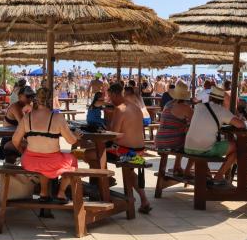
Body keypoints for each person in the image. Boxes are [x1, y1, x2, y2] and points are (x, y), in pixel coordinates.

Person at [11, 87, 81, 204]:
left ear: (36, 100)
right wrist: (76, 136)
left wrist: (22, 151)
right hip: (53, 161)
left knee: (43, 166)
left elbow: (15, 140)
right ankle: (61, 192)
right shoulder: (57, 117)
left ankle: (44, 193)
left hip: (29, 161)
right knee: (72, 160)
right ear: (52, 101)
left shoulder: (27, 117)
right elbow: (71, 141)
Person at [91, 83, 152, 214]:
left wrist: (107, 121)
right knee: (129, 172)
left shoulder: (120, 109)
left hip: (125, 151)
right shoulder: (135, 107)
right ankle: (144, 199)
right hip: (139, 149)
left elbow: (114, 135)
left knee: (90, 154)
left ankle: (103, 186)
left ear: (113, 94)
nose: (108, 99)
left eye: (109, 96)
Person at [184, 86, 245, 188]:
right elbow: (241, 125)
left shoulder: (199, 106)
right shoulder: (221, 110)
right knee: (237, 147)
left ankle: (189, 170)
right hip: (203, 149)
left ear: (210, 97)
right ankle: (219, 176)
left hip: (187, 147)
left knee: (200, 141)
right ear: (222, 100)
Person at [156, 81, 194, 175]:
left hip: (159, 139)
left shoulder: (168, 104)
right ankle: (187, 171)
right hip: (172, 141)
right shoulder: (186, 108)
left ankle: (177, 166)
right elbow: (194, 125)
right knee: (196, 146)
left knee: (181, 135)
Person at [1, 85, 34, 163]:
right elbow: (25, 125)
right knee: (36, 147)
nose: (30, 99)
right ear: (20, 96)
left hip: (17, 139)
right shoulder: (15, 107)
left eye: (32, 96)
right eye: (28, 96)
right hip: (9, 140)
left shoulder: (27, 106)